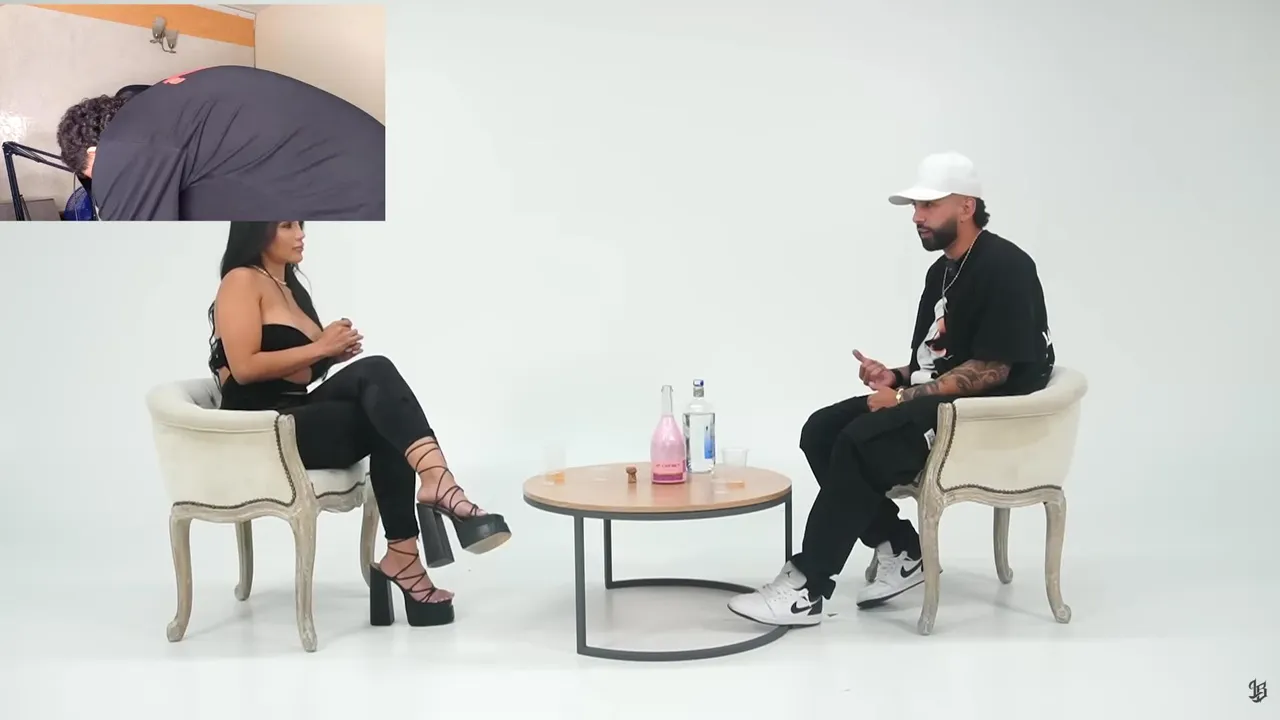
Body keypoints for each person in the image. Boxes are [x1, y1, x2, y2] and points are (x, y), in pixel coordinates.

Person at [728, 152, 1055, 627]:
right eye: (915, 207)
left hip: (981, 418)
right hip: (939, 401)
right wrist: (896, 377)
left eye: (929, 206)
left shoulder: (1007, 267)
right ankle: (902, 549)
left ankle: (807, 588)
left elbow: (992, 369)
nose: (917, 217)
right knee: (820, 430)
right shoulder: (942, 271)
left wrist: (902, 399)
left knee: (859, 443)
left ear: (966, 206)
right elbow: (939, 362)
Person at [207, 222, 510, 628]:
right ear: (256, 230)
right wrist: (320, 347)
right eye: (286, 225)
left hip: (297, 417)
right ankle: (438, 489)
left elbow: (299, 375)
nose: (300, 234)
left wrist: (330, 355)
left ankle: (405, 553)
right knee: (379, 389)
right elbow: (244, 368)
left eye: (301, 224)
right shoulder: (241, 280)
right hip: (260, 431)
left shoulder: (293, 290)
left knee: (384, 403)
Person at [56, 66, 384, 221]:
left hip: (361, 198)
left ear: (95, 152)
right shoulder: (166, 103)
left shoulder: (123, 142)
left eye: (98, 175)